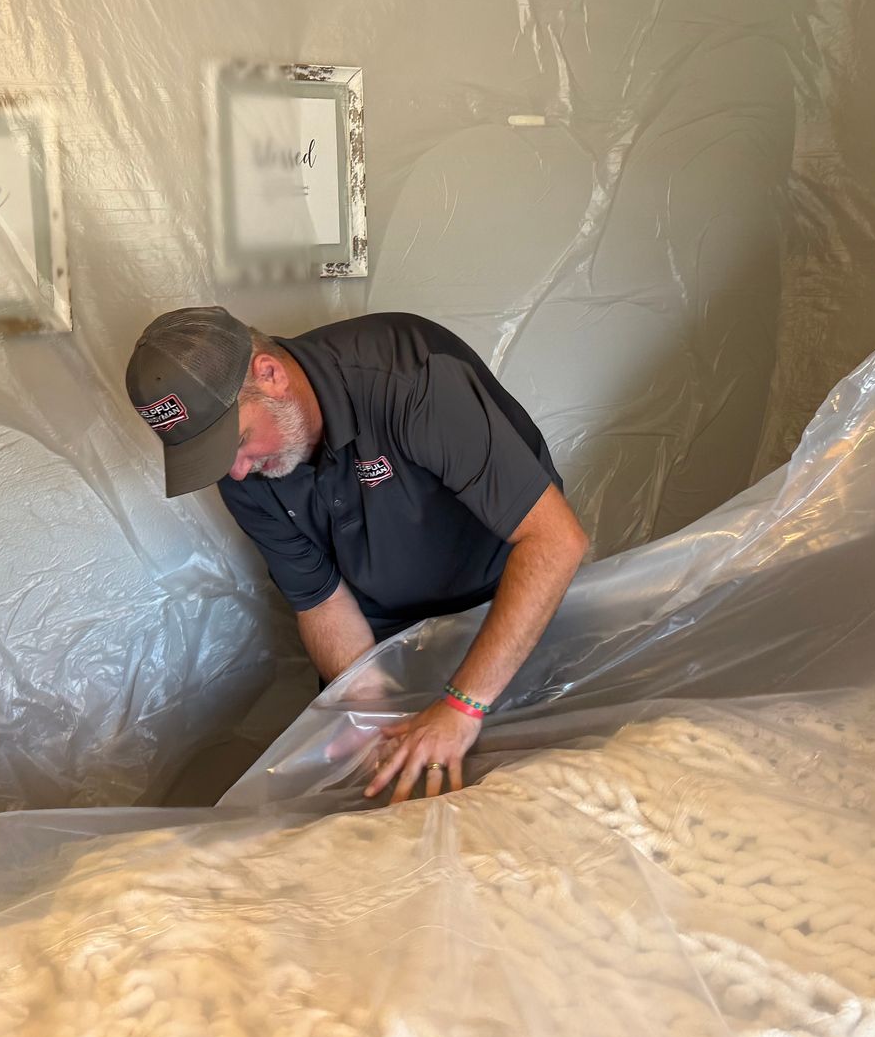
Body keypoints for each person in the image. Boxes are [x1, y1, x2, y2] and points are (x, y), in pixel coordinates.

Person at [125, 307, 590, 804]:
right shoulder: (243, 471)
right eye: (215, 458)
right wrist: (366, 708)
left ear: (271, 375)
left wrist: (461, 707)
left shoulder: (411, 383)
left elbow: (554, 541)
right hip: (381, 640)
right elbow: (322, 600)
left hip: (500, 613)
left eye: (237, 442)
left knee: (531, 801)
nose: (236, 473)